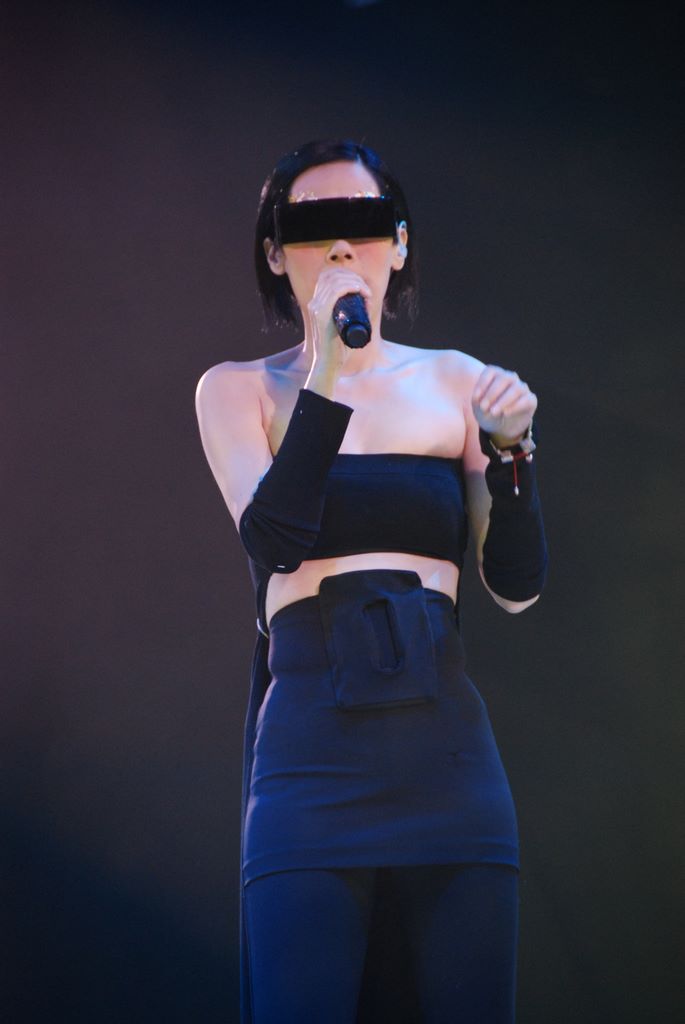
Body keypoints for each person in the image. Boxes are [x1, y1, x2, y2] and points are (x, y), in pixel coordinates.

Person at [195, 139, 547, 1024]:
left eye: (362, 224)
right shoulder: (239, 391)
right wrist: (325, 373)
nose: (342, 249)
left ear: (397, 243)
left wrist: (512, 454)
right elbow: (274, 542)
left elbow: (514, 586)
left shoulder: (456, 380)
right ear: (276, 253)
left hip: (446, 756)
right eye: (313, 229)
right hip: (312, 755)